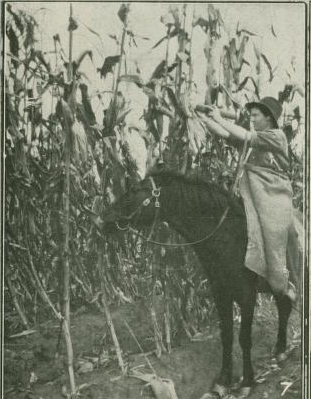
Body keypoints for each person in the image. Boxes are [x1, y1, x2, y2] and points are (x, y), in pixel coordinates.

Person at [203, 97, 300, 302]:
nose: (252, 119)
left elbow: (246, 134)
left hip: (274, 191)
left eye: (256, 115)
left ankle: (283, 282)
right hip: (252, 191)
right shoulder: (253, 138)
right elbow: (224, 133)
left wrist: (219, 117)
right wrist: (202, 117)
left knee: (274, 229)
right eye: (252, 115)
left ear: (269, 118)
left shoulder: (277, 136)